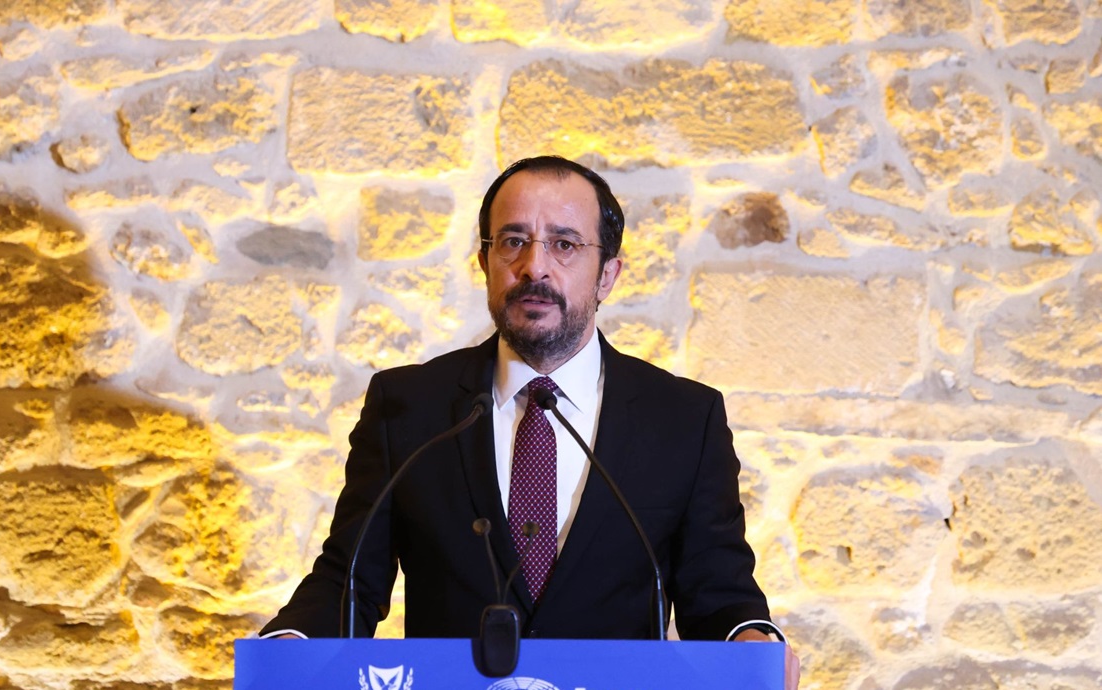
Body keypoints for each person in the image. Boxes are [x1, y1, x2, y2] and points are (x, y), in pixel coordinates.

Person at [262, 156, 800, 688]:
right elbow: (349, 581)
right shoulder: (408, 406)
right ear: (485, 262)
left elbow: (718, 593)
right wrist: (291, 643)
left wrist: (752, 642)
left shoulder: (683, 418)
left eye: (564, 245)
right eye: (513, 241)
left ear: (607, 275)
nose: (534, 268)